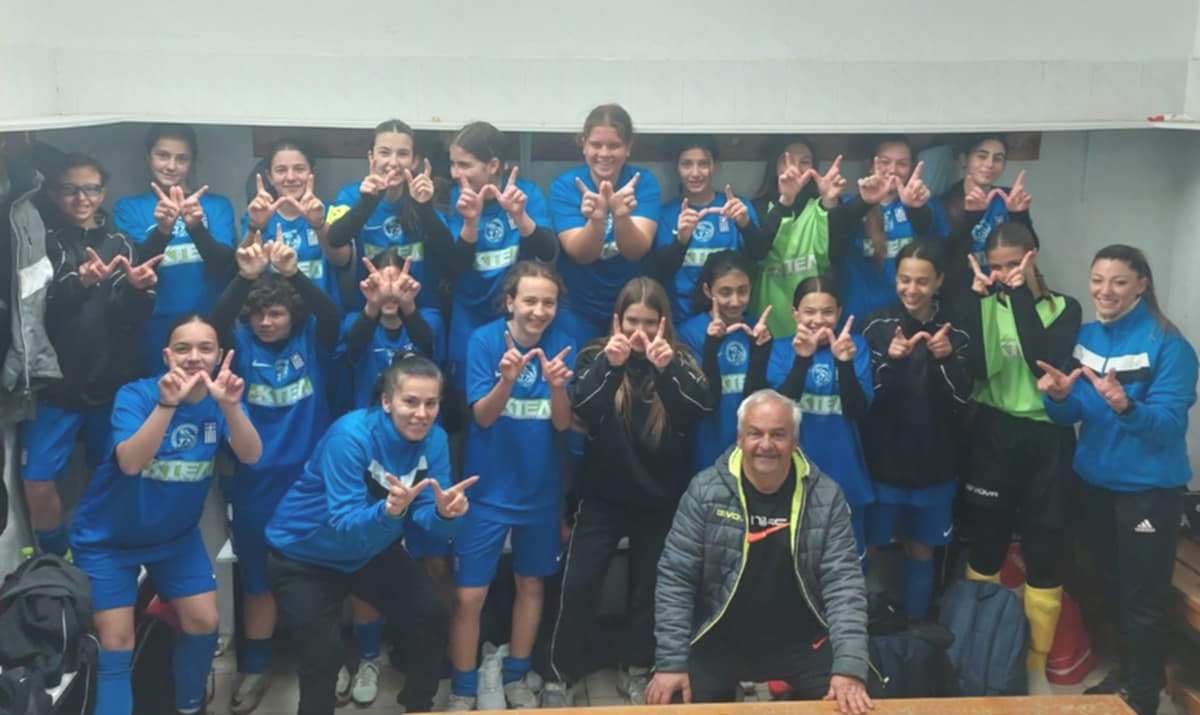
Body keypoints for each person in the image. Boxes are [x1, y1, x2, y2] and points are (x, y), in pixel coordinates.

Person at [70, 315, 262, 715]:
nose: (194, 357)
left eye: (205, 348)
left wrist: (231, 408)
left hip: (175, 538)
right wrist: (166, 405)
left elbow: (251, 454)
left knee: (204, 622)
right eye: (182, 348)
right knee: (116, 644)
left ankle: (189, 706)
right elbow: (129, 463)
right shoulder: (137, 395)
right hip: (108, 540)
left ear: (219, 356)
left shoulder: (221, 401)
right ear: (166, 355)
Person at [264, 354, 475, 715]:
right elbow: (345, 525)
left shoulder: (435, 440)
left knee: (431, 614)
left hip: (370, 549)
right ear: (387, 401)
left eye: (431, 404)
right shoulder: (350, 436)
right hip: (303, 555)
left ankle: (418, 706)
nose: (421, 414)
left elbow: (429, 518)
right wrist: (389, 512)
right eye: (411, 402)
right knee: (322, 656)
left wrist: (445, 514)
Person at [1038, 245, 1197, 715]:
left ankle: (1143, 695)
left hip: (1147, 492)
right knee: (1102, 585)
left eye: (1119, 282)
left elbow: (1169, 426)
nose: (1105, 291)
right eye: (1098, 280)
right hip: (1093, 484)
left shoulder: (1170, 345)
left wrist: (1126, 406)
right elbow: (1072, 412)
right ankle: (1127, 673)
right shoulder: (1086, 337)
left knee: (1141, 597)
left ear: (1142, 285)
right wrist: (1057, 398)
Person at [649, 389, 872, 713]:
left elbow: (844, 585)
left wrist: (850, 668)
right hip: (718, 640)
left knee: (852, 701)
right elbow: (675, 579)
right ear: (740, 439)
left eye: (778, 435)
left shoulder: (826, 496)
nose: (766, 444)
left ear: (795, 441)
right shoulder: (704, 491)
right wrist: (670, 662)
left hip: (802, 642)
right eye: (755, 433)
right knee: (670, 700)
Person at [547, 276, 712, 706]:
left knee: (650, 591)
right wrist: (612, 365)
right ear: (618, 320)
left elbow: (697, 410)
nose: (640, 332)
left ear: (663, 323)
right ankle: (561, 672)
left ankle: (638, 667)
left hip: (659, 498)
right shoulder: (595, 354)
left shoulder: (680, 358)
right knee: (579, 584)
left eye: (649, 323)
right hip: (601, 496)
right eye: (632, 321)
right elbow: (584, 410)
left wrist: (667, 370)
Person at [211, 229, 340, 713]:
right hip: (255, 482)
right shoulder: (241, 344)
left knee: (323, 577)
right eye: (259, 314)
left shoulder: (311, 338)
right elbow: (217, 321)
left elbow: (331, 315)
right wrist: (243, 280)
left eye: (277, 313)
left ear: (292, 316)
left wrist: (294, 274)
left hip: (310, 481)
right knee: (257, 581)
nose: (266, 322)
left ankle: (332, 663)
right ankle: (256, 667)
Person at [447, 261, 576, 710]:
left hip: (540, 490)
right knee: (469, 595)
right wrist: (506, 380)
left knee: (531, 586)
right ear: (510, 302)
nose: (539, 311)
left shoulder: (563, 342)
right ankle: (463, 687)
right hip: (486, 492)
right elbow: (482, 417)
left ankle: (517, 675)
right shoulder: (484, 341)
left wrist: (557, 387)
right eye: (530, 300)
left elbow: (563, 424)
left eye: (548, 302)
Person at [960, 222, 1080, 693]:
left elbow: (1041, 360)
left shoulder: (1064, 307)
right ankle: (978, 655)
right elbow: (977, 368)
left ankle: (1035, 665)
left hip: (1048, 437)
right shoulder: (982, 301)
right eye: (996, 267)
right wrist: (979, 303)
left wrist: (1018, 296)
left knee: (1044, 550)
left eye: (1014, 264)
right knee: (986, 546)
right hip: (995, 431)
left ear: (1033, 257)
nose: (1005, 273)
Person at [22, 154, 161, 558]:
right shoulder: (39, 239)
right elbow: (37, 310)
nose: (81, 198)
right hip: (55, 385)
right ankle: (56, 559)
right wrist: (80, 284)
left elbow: (132, 317)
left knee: (112, 476)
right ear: (53, 192)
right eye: (70, 189)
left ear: (103, 192)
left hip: (111, 383)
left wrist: (139, 291)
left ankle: (102, 553)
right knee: (36, 480)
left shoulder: (121, 242)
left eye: (91, 189)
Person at [860, 241, 972, 619]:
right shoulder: (876, 325)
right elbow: (863, 396)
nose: (912, 289)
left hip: (934, 464)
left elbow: (963, 397)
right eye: (904, 280)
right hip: (881, 462)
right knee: (869, 544)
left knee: (921, 548)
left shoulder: (956, 329)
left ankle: (917, 629)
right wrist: (890, 361)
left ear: (939, 281)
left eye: (922, 281)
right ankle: (858, 630)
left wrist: (946, 359)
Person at [759, 275, 874, 558]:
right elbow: (779, 410)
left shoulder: (855, 347)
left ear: (839, 312)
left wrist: (844, 364)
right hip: (791, 472)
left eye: (827, 312)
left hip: (844, 471)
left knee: (847, 559)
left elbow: (858, 410)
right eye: (809, 312)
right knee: (794, 557)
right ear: (795, 313)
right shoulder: (780, 349)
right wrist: (802, 359)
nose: (818, 320)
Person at [113, 124, 237, 374]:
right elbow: (137, 268)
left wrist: (196, 228)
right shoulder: (129, 207)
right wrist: (163, 231)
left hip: (211, 323)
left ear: (192, 161)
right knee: (161, 392)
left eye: (182, 158)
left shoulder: (217, 205)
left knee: (211, 394)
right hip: (154, 326)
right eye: (163, 155)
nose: (171, 166)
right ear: (148, 156)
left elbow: (225, 266)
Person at [445, 121, 557, 391]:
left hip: (516, 314)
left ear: (493, 165)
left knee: (516, 389)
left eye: (464, 165)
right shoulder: (456, 197)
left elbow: (548, 253)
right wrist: (470, 222)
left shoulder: (525, 193)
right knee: (470, 394)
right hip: (470, 310)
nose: (455, 173)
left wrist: (520, 215)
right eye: (453, 164)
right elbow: (455, 266)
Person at [549, 103, 662, 346]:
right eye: (596, 144)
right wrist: (596, 220)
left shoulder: (643, 183)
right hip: (578, 307)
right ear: (584, 145)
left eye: (614, 146)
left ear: (628, 147)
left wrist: (621, 216)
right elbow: (580, 254)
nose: (604, 153)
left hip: (630, 309)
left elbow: (637, 250)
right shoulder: (566, 186)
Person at [325, 119, 455, 313]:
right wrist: (368, 202)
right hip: (369, 311)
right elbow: (334, 238)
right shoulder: (351, 195)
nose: (393, 163)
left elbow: (449, 256)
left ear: (414, 161)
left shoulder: (423, 193)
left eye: (402, 154)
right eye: (384, 153)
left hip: (420, 312)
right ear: (371, 157)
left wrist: (424, 207)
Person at [649, 135, 767, 323]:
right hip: (681, 317)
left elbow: (759, 255)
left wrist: (746, 226)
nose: (695, 173)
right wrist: (681, 242)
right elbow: (659, 272)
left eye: (703, 164)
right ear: (676, 167)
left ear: (715, 166)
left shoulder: (737, 207)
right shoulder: (666, 214)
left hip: (730, 316)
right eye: (687, 164)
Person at [747, 137, 857, 338]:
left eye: (805, 162)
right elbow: (756, 252)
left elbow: (836, 254)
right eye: (786, 160)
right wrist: (786, 200)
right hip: (767, 320)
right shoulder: (757, 207)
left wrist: (830, 202)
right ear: (775, 166)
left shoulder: (823, 204)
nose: (796, 168)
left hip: (815, 322)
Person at [677, 251, 772, 474]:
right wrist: (711, 345)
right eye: (725, 292)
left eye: (743, 291)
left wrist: (762, 350)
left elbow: (761, 396)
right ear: (708, 291)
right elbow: (702, 400)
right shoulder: (689, 334)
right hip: (708, 448)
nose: (735, 301)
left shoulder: (758, 331)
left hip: (752, 451)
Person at [836, 135, 936, 324]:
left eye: (902, 164)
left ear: (912, 168)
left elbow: (935, 244)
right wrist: (864, 202)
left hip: (907, 316)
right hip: (856, 317)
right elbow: (833, 237)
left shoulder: (924, 204)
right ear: (871, 165)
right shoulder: (849, 204)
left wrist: (915, 208)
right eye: (884, 162)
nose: (893, 170)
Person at [930, 135, 1036, 304]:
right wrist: (972, 217)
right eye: (982, 156)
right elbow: (945, 257)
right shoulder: (942, 203)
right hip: (960, 296)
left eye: (998, 158)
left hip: (1006, 294)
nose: (989, 164)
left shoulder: (1008, 198)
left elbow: (1031, 251)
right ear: (964, 160)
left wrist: (1019, 214)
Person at [242, 138, 348, 305]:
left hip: (323, 314)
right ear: (269, 177)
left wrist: (319, 225)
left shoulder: (332, 212)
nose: (290, 177)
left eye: (299, 169)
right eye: (281, 170)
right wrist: (255, 226)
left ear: (312, 173)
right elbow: (242, 267)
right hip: (274, 315)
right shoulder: (256, 216)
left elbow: (342, 260)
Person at [337, 249, 441, 409]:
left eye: (397, 285)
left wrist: (406, 305)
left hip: (419, 416)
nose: (389, 293)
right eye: (380, 285)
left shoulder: (430, 318)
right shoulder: (353, 321)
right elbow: (356, 343)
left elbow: (426, 344)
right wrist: (373, 304)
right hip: (372, 417)